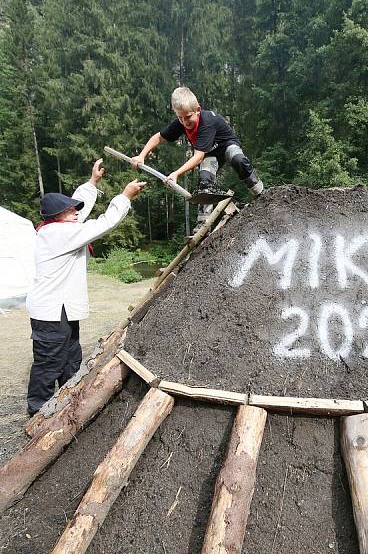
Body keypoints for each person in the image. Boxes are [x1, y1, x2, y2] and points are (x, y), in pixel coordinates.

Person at [26, 159, 145, 416]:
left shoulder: (59, 227)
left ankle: (66, 404)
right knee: (49, 364)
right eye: (71, 211)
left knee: (70, 360)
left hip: (63, 311)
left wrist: (92, 183)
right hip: (50, 314)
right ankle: (37, 411)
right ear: (56, 217)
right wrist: (124, 197)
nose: (77, 212)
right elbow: (102, 223)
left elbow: (79, 206)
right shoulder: (57, 234)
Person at [132, 86, 263, 226]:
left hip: (226, 145)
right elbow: (158, 137)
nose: (185, 122)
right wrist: (141, 155)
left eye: (188, 117)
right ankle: (203, 222)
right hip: (210, 154)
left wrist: (176, 173)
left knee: (238, 160)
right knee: (205, 181)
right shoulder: (181, 122)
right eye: (180, 118)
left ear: (198, 110)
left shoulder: (207, 122)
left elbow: (198, 157)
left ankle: (260, 193)